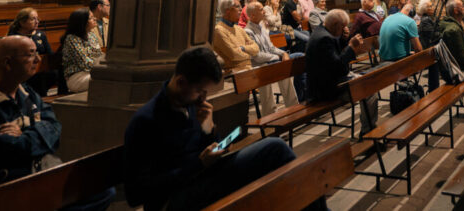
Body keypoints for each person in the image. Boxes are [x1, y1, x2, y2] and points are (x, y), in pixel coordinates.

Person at [124, 46, 322, 211]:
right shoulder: (146, 121)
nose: (204, 98)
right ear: (181, 82)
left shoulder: (191, 104)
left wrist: (210, 130)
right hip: (173, 199)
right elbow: (135, 194)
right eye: (200, 91)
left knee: (275, 147)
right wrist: (198, 164)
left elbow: (209, 150)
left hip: (205, 177)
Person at [0, 36, 115, 209]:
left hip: (33, 174)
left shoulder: (25, 92)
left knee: (103, 191)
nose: (38, 59)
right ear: (8, 63)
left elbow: (55, 126)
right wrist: (37, 129)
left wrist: (26, 133)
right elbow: (11, 151)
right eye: (31, 54)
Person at [241, 1, 301, 113]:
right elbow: (257, 56)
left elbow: (271, 48)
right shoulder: (248, 32)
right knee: (276, 67)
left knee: (295, 60)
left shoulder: (262, 28)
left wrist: (283, 53)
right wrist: (277, 57)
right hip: (257, 66)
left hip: (269, 63)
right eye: (261, 9)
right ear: (252, 15)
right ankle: (271, 112)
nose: (264, 11)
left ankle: (294, 106)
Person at [305, 9, 363, 102]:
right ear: (335, 24)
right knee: (367, 85)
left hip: (331, 82)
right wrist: (351, 47)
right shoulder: (324, 39)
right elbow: (339, 68)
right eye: (343, 26)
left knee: (369, 79)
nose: (345, 29)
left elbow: (335, 58)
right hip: (325, 91)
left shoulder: (323, 31)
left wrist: (343, 40)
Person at [7, 8, 56, 96]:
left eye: (37, 19)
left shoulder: (40, 35)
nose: (37, 22)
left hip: (41, 69)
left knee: (56, 73)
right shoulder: (14, 37)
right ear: (22, 22)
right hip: (24, 71)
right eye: (33, 19)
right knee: (38, 78)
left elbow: (50, 54)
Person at [60, 9, 102, 93]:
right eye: (91, 18)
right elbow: (85, 63)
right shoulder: (72, 39)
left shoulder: (92, 36)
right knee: (107, 79)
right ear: (82, 22)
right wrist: (103, 68)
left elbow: (99, 56)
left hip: (93, 73)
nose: (95, 19)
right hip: (77, 77)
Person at [417, 0, 441, 92]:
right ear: (425, 9)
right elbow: (433, 35)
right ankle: (434, 91)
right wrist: (443, 33)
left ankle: (434, 90)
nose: (433, 7)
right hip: (429, 50)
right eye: (430, 6)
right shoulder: (426, 20)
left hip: (432, 48)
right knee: (434, 74)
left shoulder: (429, 18)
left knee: (435, 73)